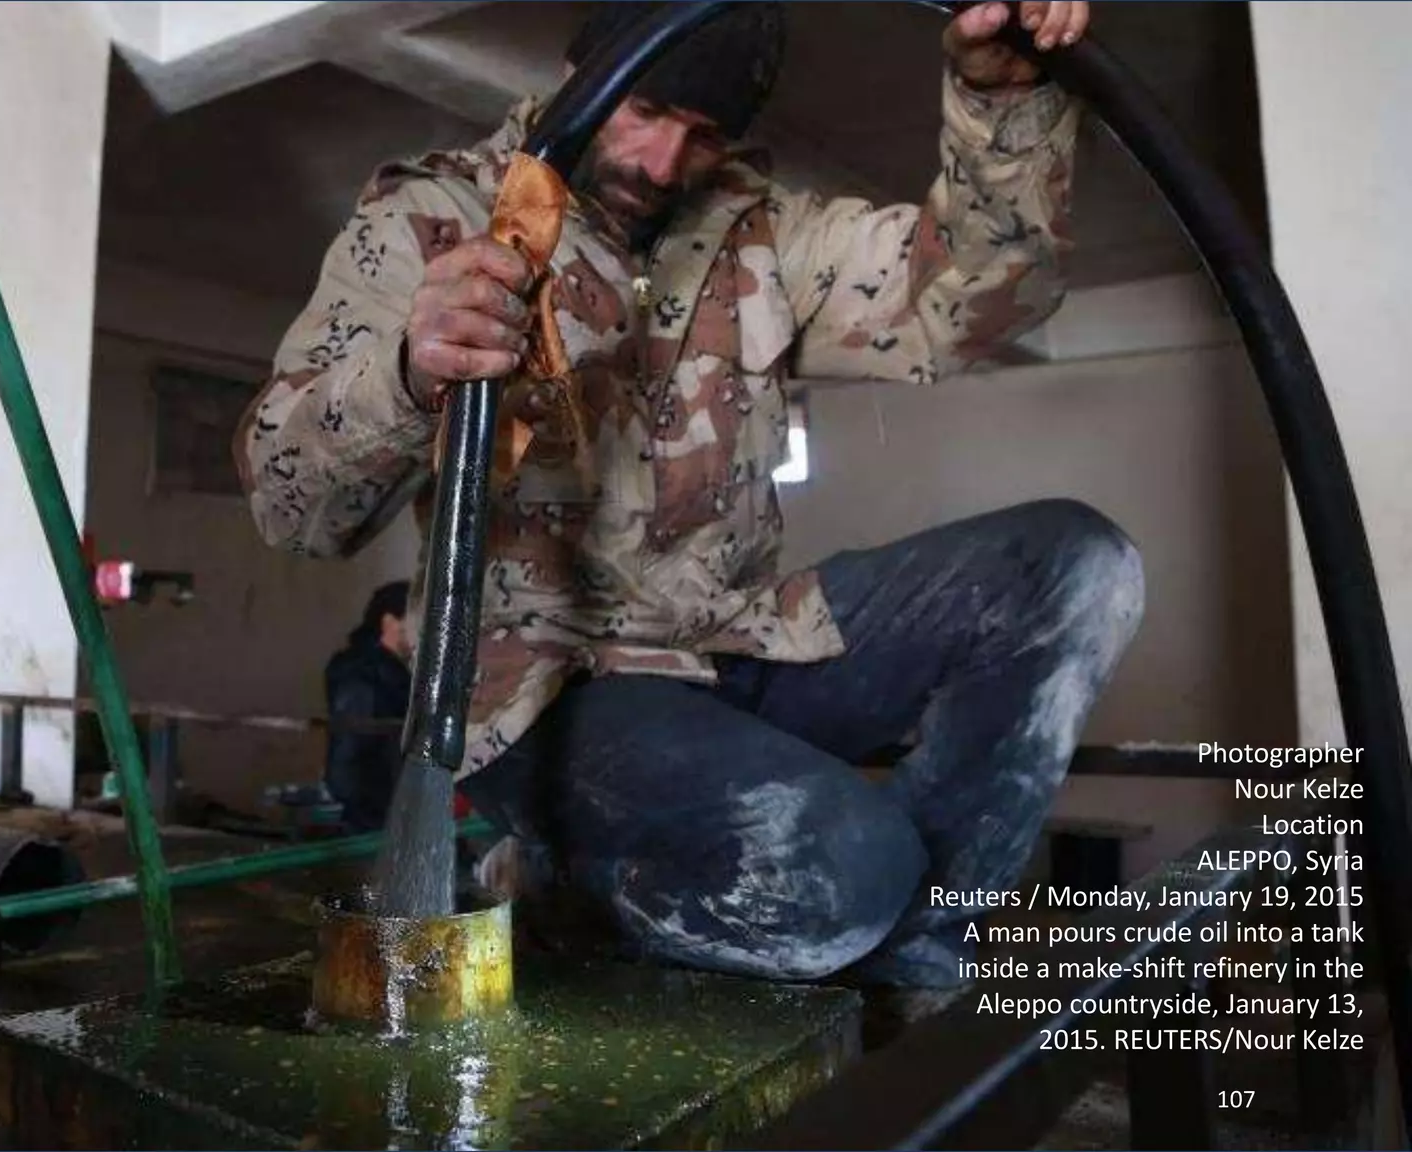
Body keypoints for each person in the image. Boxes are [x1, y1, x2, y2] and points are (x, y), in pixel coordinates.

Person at [238, 0, 1136, 1022]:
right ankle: (567, 894)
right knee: (839, 874)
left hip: (737, 642)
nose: (664, 164)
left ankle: (910, 951)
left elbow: (974, 299)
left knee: (1073, 564)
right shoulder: (436, 218)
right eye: (646, 112)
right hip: (549, 686)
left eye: (703, 134)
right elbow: (290, 511)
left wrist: (1002, 104)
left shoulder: (764, 232)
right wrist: (407, 372)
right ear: (580, 71)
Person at [322, 581, 413, 832]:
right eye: (417, 620)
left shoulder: (393, 671)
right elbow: (352, 750)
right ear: (390, 622)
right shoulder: (362, 674)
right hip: (375, 815)